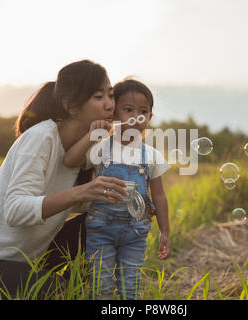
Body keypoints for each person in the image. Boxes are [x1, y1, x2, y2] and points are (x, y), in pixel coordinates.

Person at [0, 60, 129, 300]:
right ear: (72, 106)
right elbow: (16, 210)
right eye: (98, 97)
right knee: (54, 290)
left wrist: (127, 202)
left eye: (110, 95)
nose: (110, 105)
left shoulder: (88, 147)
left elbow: (73, 201)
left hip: (28, 262)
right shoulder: (41, 137)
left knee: (103, 224)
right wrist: (83, 192)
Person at [63, 79, 171, 300]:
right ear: (113, 114)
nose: (136, 117)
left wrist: (165, 231)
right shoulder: (102, 146)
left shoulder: (151, 155)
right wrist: (90, 134)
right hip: (101, 229)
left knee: (130, 286)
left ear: (150, 118)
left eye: (144, 111)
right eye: (128, 110)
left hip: (135, 232)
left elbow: (159, 195)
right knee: (100, 285)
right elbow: (70, 160)